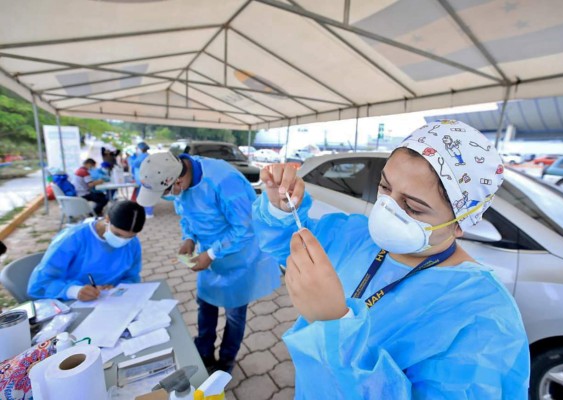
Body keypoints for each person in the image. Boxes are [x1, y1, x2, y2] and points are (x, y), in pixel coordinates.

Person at [252, 120, 530, 399]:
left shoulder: (483, 315)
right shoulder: (354, 234)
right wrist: (280, 208)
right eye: (384, 188)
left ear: (461, 223)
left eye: (413, 207)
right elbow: (286, 242)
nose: (388, 209)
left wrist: (333, 323)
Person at [136, 151, 280, 373]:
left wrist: (211, 254)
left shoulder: (224, 181)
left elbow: (244, 227)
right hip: (209, 256)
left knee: (234, 314)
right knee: (206, 304)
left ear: (179, 180)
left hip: (239, 258)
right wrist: (189, 238)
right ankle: (203, 352)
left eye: (166, 192)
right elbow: (186, 215)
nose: (170, 196)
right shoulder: (180, 181)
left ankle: (226, 361)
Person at [27, 201, 146, 301]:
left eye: (129, 237)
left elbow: (132, 276)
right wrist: (74, 291)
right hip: (70, 302)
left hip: (111, 301)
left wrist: (118, 288)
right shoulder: (72, 238)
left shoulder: (132, 243)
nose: (122, 241)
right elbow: (40, 284)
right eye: (117, 234)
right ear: (107, 219)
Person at [129, 142, 154, 218]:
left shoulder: (143, 157)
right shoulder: (145, 156)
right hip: (143, 180)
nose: (136, 150)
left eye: (137, 148)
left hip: (143, 180)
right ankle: (145, 212)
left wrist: (131, 158)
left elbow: (134, 164)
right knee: (143, 196)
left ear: (141, 149)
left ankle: (148, 212)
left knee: (145, 196)